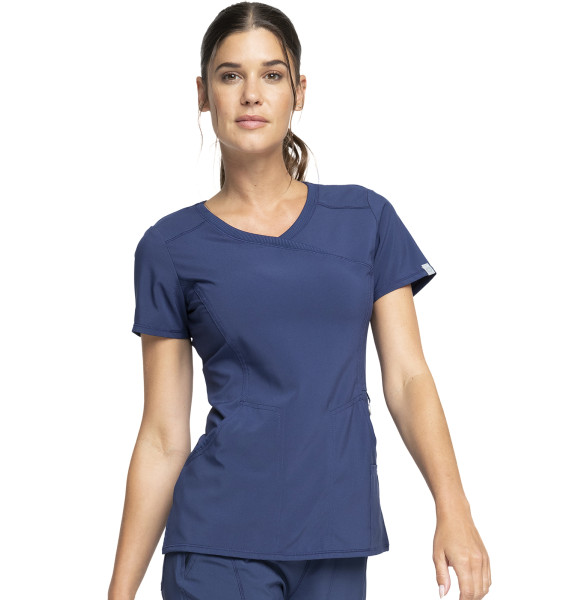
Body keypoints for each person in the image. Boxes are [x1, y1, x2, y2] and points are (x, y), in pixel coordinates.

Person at [108, 3, 491, 599]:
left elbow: (408, 377)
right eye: (230, 75)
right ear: (204, 95)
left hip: (337, 540)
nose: (251, 94)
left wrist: (454, 506)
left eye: (272, 74)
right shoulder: (170, 247)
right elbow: (162, 435)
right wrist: (119, 592)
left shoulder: (366, 219)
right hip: (217, 545)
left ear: (299, 91)